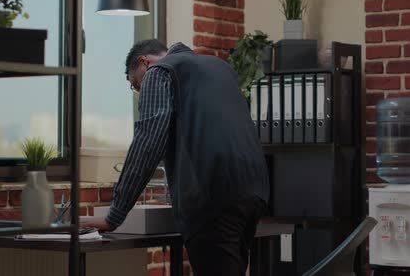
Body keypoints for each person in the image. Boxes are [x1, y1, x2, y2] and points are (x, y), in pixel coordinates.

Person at [82, 39, 269, 275]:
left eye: (136, 84)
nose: (140, 92)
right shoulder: (219, 67)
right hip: (255, 190)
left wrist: (115, 214)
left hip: (214, 195)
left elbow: (148, 142)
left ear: (144, 63)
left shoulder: (158, 72)